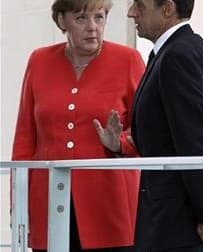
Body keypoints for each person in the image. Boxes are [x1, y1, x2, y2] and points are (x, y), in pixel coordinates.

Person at [11, 0, 145, 251]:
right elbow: (24, 138)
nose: (93, 27)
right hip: (49, 204)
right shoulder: (39, 61)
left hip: (110, 208)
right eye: (82, 18)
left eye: (100, 17)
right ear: (62, 21)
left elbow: (149, 132)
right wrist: (17, 203)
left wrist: (120, 143)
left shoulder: (128, 60)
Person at [127, 0, 203, 251]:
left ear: (168, 8)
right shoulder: (190, 50)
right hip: (180, 220)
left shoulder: (177, 56)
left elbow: (196, 140)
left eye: (140, 5)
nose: (131, 12)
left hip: (179, 225)